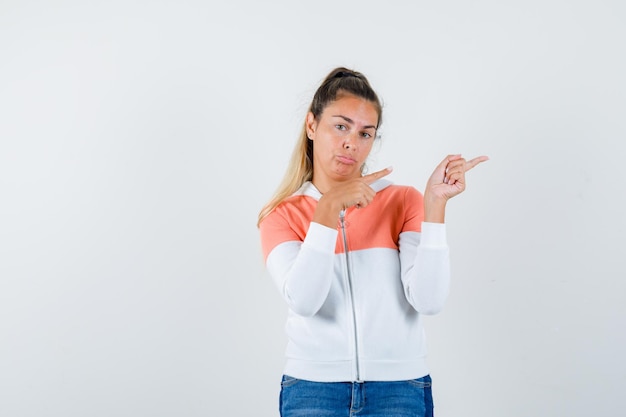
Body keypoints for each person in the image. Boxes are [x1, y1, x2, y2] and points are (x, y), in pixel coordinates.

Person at [257, 67, 488, 417]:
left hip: (399, 387)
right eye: (340, 126)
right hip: (313, 390)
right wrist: (328, 210)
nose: (352, 142)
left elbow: (429, 300)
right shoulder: (280, 216)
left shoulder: (402, 201)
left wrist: (434, 205)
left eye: (366, 133)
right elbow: (304, 301)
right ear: (311, 126)